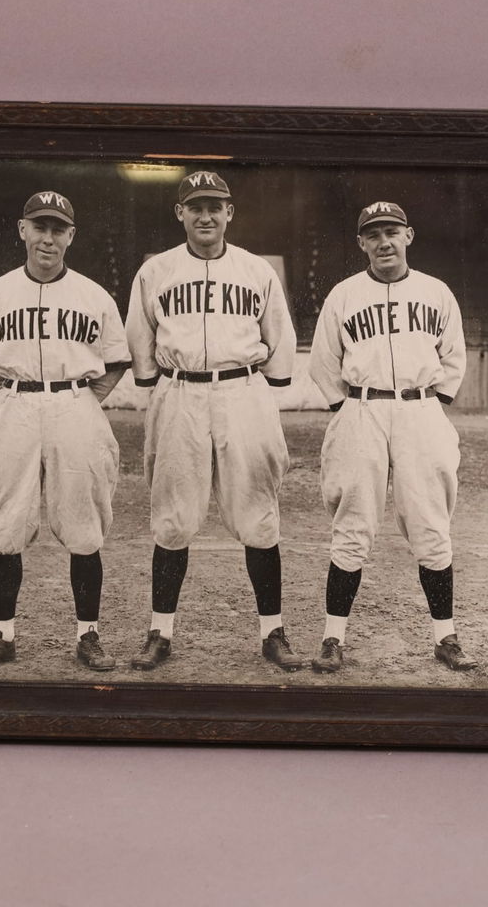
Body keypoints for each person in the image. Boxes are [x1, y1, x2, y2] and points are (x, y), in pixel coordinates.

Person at [124, 170, 302, 672]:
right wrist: (150, 380)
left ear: (230, 213)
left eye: (215, 206)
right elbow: (140, 336)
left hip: (243, 391)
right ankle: (160, 632)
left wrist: (268, 384)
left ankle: (273, 632)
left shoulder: (255, 270)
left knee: (258, 515)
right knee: (174, 517)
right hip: (180, 391)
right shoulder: (155, 271)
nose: (206, 215)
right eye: (195, 206)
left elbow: (279, 334)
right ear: (180, 213)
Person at [0, 191, 131, 671]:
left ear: (70, 236)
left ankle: (88, 636)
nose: (48, 238)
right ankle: (2, 635)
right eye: (40, 227)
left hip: (73, 402)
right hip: (14, 403)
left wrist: (78, 402)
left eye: (58, 229)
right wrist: (10, 394)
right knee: (5, 522)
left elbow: (115, 361)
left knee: (83, 524)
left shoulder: (94, 295)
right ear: (23, 230)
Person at [305, 200, 475, 674]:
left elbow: (454, 356)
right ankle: (332, 639)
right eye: (373, 234)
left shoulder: (436, 292)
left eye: (391, 232)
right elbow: (322, 362)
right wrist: (349, 407)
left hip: (420, 411)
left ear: (409, 236)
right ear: (361, 242)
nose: (383, 241)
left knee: (432, 527)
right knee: (352, 527)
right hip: (361, 409)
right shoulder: (343, 295)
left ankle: (446, 637)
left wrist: (427, 406)